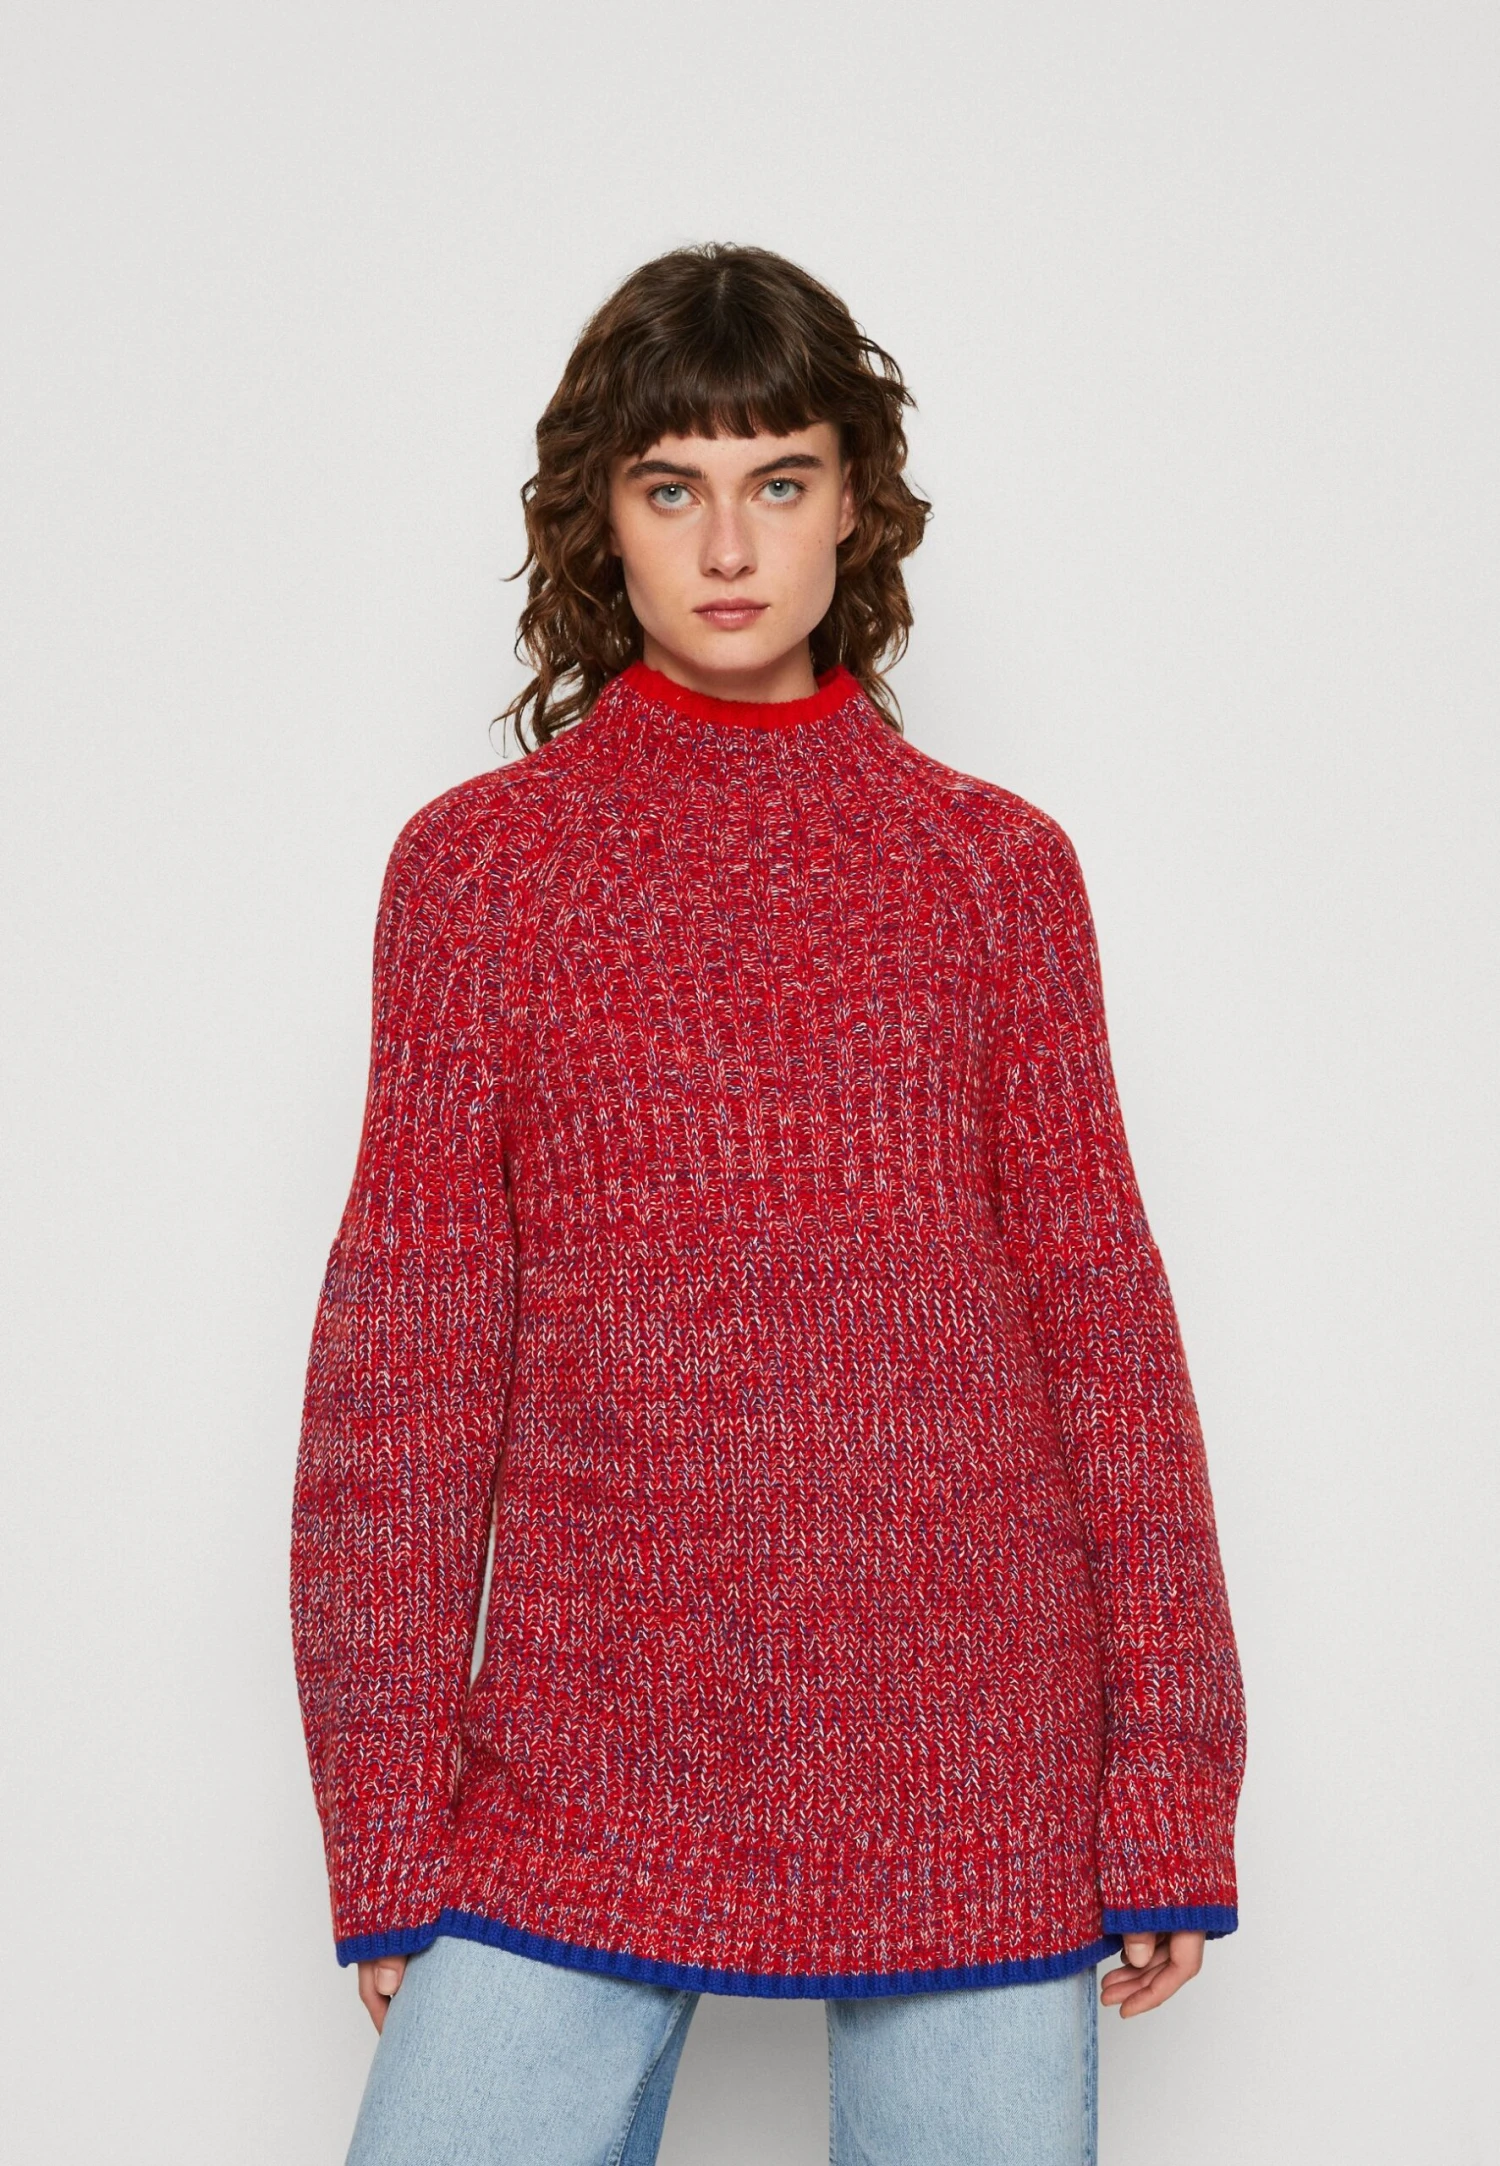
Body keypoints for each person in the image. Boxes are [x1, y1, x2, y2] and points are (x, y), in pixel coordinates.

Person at [290, 243, 1247, 2166]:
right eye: (674, 488)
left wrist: (1169, 1777)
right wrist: (386, 1818)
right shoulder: (481, 876)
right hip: (585, 1753)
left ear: (853, 507)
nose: (729, 544)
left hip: (969, 1752)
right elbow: (404, 1373)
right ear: (603, 521)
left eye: (778, 480)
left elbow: (1103, 1326)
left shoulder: (994, 872)